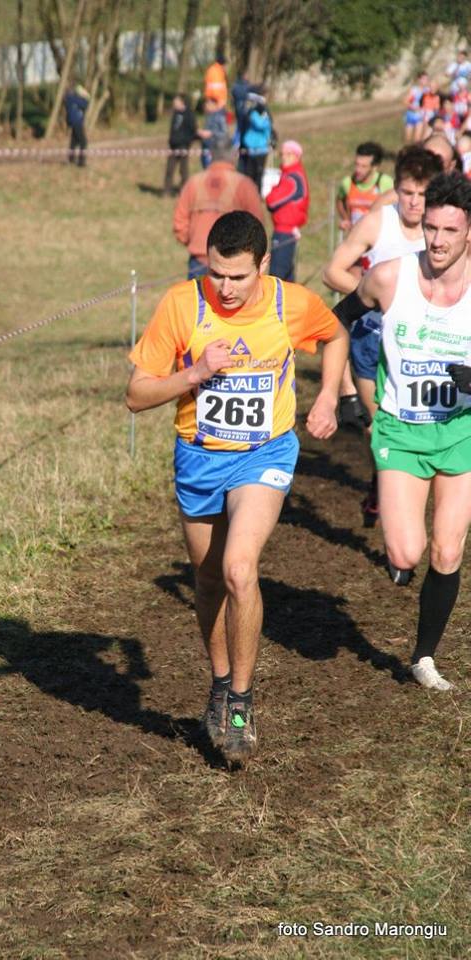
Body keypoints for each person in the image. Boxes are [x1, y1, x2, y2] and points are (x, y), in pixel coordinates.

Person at [126, 211, 349, 763]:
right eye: (216, 273)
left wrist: (326, 398)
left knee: (238, 569)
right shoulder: (183, 304)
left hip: (264, 453)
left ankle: (243, 703)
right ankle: (221, 683)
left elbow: (335, 333)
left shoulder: (289, 302)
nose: (225, 288)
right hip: (199, 458)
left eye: (237, 277)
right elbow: (136, 394)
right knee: (207, 581)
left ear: (263, 265)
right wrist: (195, 373)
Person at [334, 172, 471, 692]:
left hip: (461, 430)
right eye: (430, 228)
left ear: (469, 232)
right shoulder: (390, 278)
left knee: (448, 551)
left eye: (449, 231)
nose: (437, 240)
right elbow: (337, 322)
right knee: (405, 554)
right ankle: (403, 561)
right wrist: (336, 390)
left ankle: (424, 658)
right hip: (401, 430)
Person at [324, 145, 443, 525]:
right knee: (381, 425)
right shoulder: (379, 222)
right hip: (372, 340)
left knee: (421, 425)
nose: (413, 202)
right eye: (407, 192)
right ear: (397, 188)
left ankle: (396, 487)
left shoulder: (446, 230)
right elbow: (333, 271)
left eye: (423, 195)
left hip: (426, 343)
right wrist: (375, 293)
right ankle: (389, 495)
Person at [173, 139, 264, 279]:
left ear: (210, 156)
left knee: (196, 300)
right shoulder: (244, 185)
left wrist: (193, 241)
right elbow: (257, 227)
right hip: (234, 265)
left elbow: (180, 220)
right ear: (234, 155)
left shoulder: (193, 182)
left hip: (198, 259)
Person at [265, 139, 309, 282]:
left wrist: (271, 189)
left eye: (288, 154)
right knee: (287, 278)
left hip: (284, 232)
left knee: (277, 277)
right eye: (282, 154)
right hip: (287, 231)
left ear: (296, 156)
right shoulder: (290, 175)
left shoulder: (292, 179)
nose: (283, 157)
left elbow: (271, 201)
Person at [336, 142, 394, 232]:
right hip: (355, 239)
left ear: (374, 167)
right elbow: (339, 200)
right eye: (356, 164)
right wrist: (346, 219)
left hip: (378, 239)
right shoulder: (347, 183)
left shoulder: (385, 183)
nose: (358, 170)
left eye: (363, 166)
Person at [163, 93, 198, 195]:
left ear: (182, 102)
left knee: (183, 171)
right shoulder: (175, 114)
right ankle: (167, 190)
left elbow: (193, 130)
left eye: (176, 101)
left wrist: (187, 142)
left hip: (183, 146)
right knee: (169, 169)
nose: (174, 103)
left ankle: (184, 192)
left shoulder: (189, 114)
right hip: (173, 146)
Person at [242, 91, 271, 193]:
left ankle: (257, 196)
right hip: (251, 149)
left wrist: (254, 114)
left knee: (258, 175)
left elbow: (260, 125)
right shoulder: (251, 113)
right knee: (249, 175)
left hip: (261, 149)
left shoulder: (262, 115)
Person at [64, 82, 90, 167]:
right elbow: (86, 103)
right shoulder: (74, 99)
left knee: (74, 141)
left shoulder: (68, 99)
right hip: (77, 122)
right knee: (83, 142)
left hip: (73, 122)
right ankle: (81, 162)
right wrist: (84, 94)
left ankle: (71, 159)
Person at [199, 96, 227, 169]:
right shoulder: (208, 116)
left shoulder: (220, 117)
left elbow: (224, 133)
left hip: (215, 149)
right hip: (206, 148)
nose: (206, 106)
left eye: (208, 104)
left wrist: (211, 133)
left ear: (214, 105)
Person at [404, 72, 429, 142]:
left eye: (427, 79)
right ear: (419, 80)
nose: (426, 81)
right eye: (424, 79)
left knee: (417, 139)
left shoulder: (427, 90)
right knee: (407, 139)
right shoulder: (414, 90)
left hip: (420, 116)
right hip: (411, 114)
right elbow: (405, 101)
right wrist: (413, 107)